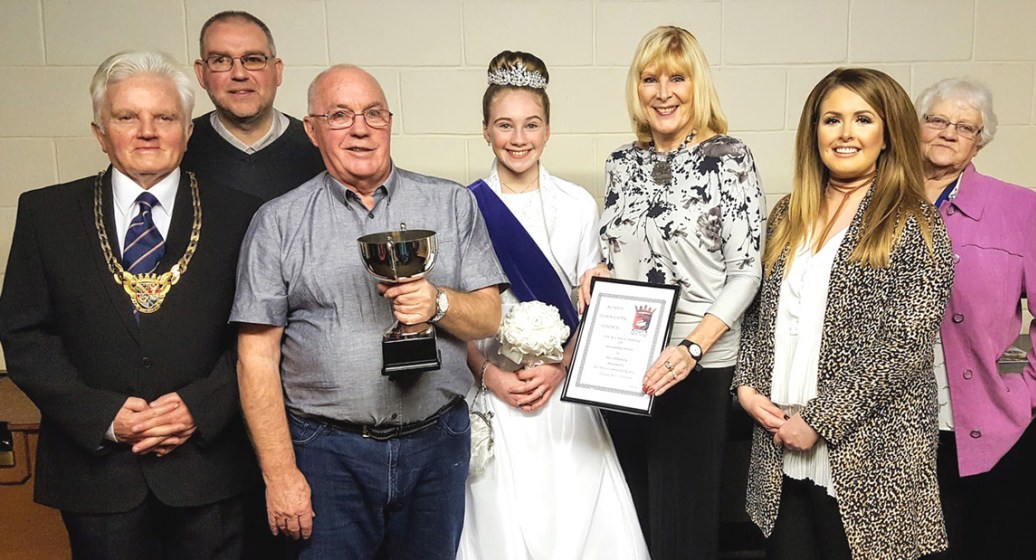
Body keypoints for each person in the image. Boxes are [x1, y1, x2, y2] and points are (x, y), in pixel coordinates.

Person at [230, 64, 506, 560]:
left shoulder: (451, 203)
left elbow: (488, 316)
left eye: (373, 113)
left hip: (437, 444)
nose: (360, 129)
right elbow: (256, 359)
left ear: (390, 122)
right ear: (312, 129)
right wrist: (280, 474)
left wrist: (438, 302)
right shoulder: (278, 222)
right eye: (340, 115)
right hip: (327, 453)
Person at [0, 50, 260, 560]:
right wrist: (104, 416)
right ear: (100, 133)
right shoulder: (45, 213)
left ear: (187, 130)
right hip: (96, 475)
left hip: (209, 469)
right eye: (126, 117)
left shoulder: (242, 215)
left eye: (164, 117)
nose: (147, 132)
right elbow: (25, 335)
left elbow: (259, 334)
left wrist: (200, 407)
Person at [732, 67, 954, 560]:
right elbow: (760, 316)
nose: (846, 133)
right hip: (779, 439)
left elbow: (905, 345)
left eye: (863, 119)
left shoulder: (914, 220)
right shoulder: (788, 213)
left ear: (888, 134)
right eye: (832, 119)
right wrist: (747, 388)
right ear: (814, 132)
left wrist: (819, 420)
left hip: (868, 449)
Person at [577, 26, 766, 560]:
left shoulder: (728, 157)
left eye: (677, 78)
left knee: (683, 524)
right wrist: (597, 271)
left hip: (695, 360)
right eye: (650, 79)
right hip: (626, 359)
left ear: (696, 84)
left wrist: (691, 348)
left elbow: (746, 272)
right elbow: (624, 249)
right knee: (630, 515)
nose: (663, 93)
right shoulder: (621, 163)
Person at [456, 50, 649, 560]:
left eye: (531, 124)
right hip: (495, 389)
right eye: (505, 125)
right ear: (485, 130)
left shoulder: (578, 204)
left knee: (575, 522)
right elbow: (454, 314)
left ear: (547, 129)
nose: (518, 138)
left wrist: (562, 367)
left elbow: (592, 305)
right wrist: (488, 376)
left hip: (562, 390)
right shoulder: (463, 206)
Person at [914, 77, 1036, 560]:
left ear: (979, 142)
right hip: (882, 415)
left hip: (966, 419)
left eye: (965, 127)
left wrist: (1025, 394)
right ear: (916, 126)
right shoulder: (876, 198)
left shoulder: (1014, 206)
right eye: (937, 119)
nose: (948, 132)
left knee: (951, 543)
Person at [185, 10, 324, 200]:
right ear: (201, 73)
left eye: (253, 59)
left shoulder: (320, 147)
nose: (239, 74)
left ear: (277, 71)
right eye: (221, 60)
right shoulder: (177, 149)